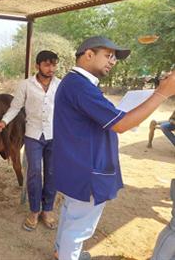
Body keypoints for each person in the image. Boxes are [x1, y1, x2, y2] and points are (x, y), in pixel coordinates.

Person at [52, 36, 175, 260]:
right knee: (79, 228)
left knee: (72, 215)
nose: (113, 61)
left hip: (76, 167)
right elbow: (121, 124)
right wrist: (162, 94)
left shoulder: (75, 83)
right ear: (89, 54)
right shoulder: (80, 86)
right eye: (108, 55)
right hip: (87, 170)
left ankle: (63, 252)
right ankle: (68, 254)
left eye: (114, 58)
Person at [0, 50, 61, 230]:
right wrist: (4, 121)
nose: (51, 68)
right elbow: (15, 107)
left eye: (54, 64)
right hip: (33, 135)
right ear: (37, 66)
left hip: (54, 135)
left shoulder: (60, 85)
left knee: (52, 173)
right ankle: (34, 210)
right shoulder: (26, 85)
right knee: (34, 172)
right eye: (47, 64)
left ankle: (47, 210)